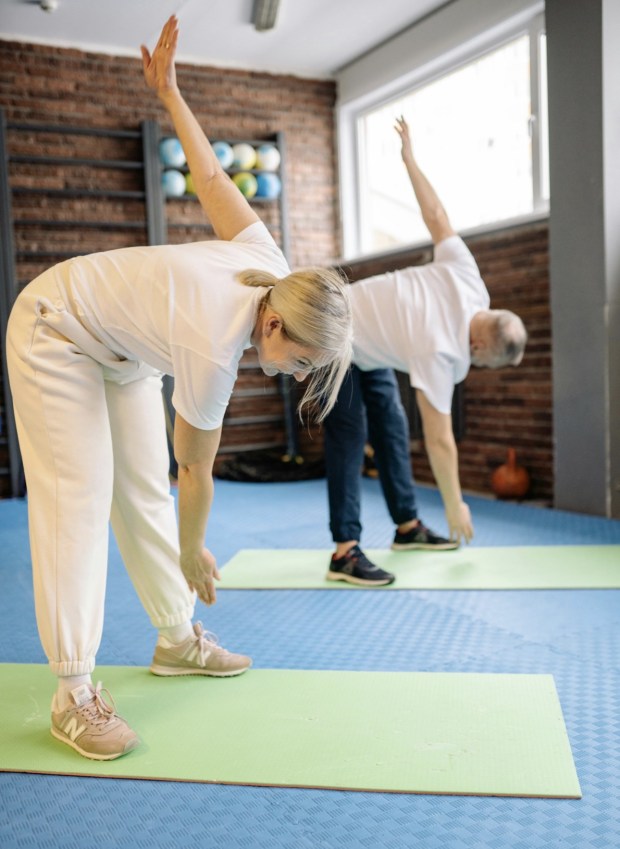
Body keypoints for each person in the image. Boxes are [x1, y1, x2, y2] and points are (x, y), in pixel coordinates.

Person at [6, 15, 352, 761]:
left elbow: (213, 177)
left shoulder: (270, 262)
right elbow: (196, 467)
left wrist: (171, 92)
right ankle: (73, 692)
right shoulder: (213, 345)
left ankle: (174, 637)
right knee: (80, 494)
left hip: (122, 348)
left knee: (143, 490)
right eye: (299, 365)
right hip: (54, 325)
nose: (293, 378)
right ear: (274, 331)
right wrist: (197, 552)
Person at [325, 116, 526, 587]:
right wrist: (455, 502)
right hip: (329, 334)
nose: (476, 367)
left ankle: (407, 527)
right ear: (478, 346)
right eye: (484, 363)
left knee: (392, 426)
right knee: (350, 434)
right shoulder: (442, 352)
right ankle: (344, 552)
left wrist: (410, 159)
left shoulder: (469, 277)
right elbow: (440, 439)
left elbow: (436, 215)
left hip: (369, 348)